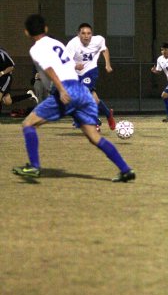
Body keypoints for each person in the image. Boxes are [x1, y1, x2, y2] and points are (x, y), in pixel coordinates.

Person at [12, 14, 135, 182]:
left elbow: (49, 67)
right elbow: (67, 64)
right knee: (94, 137)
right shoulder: (57, 43)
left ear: (26, 32)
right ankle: (125, 169)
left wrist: (61, 90)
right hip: (81, 91)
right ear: (46, 29)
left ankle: (34, 167)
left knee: (28, 124)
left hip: (66, 89)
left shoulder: (35, 49)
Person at [65, 23, 116, 130]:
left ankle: (94, 122)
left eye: (89, 33)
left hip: (90, 70)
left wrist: (107, 64)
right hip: (75, 73)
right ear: (78, 34)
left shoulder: (98, 40)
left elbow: (104, 49)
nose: (86, 36)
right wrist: (75, 66)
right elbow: (65, 62)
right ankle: (108, 114)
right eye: (83, 33)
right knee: (92, 98)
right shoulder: (72, 44)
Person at [0, 46, 37, 116]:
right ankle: (29, 95)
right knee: (7, 101)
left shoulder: (2, 53)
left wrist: (2, 73)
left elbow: (11, 66)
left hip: (4, 78)